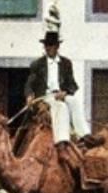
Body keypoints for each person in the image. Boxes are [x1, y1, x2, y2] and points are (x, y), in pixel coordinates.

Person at [25, 29, 85, 161]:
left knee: (74, 101)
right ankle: (62, 143)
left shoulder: (66, 63)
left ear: (57, 47)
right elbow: (30, 83)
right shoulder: (37, 64)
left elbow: (72, 84)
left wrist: (65, 92)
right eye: (46, 45)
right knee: (60, 107)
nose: (48, 48)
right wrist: (29, 95)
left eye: (51, 45)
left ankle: (84, 136)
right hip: (46, 97)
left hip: (61, 94)